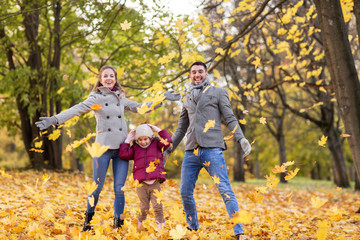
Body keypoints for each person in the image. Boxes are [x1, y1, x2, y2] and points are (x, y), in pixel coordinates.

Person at [35, 65, 180, 231]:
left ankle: (118, 225)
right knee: (96, 188)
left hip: (121, 150)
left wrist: (161, 99)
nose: (109, 78)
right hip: (102, 148)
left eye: (112, 76)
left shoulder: (121, 98)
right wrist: (54, 119)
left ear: (115, 78)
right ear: (100, 79)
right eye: (106, 76)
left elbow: (140, 107)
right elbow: (77, 109)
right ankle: (87, 222)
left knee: (119, 189)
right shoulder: (95, 98)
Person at [165, 61, 251, 238]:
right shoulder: (186, 97)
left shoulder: (218, 92)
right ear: (190, 75)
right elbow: (181, 128)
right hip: (191, 151)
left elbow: (230, 118)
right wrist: (168, 149)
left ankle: (239, 231)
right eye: (193, 72)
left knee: (225, 189)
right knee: (185, 191)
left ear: (206, 74)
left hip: (212, 148)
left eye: (200, 72)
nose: (197, 75)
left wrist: (241, 138)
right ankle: (193, 226)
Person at [118, 123, 171, 231]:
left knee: (157, 206)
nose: (143, 142)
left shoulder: (157, 145)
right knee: (144, 207)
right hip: (141, 184)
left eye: (145, 139)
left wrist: (157, 129)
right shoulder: (135, 148)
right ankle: (140, 226)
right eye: (140, 140)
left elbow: (168, 140)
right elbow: (123, 154)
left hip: (155, 183)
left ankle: (160, 227)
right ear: (136, 140)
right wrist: (128, 139)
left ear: (150, 137)